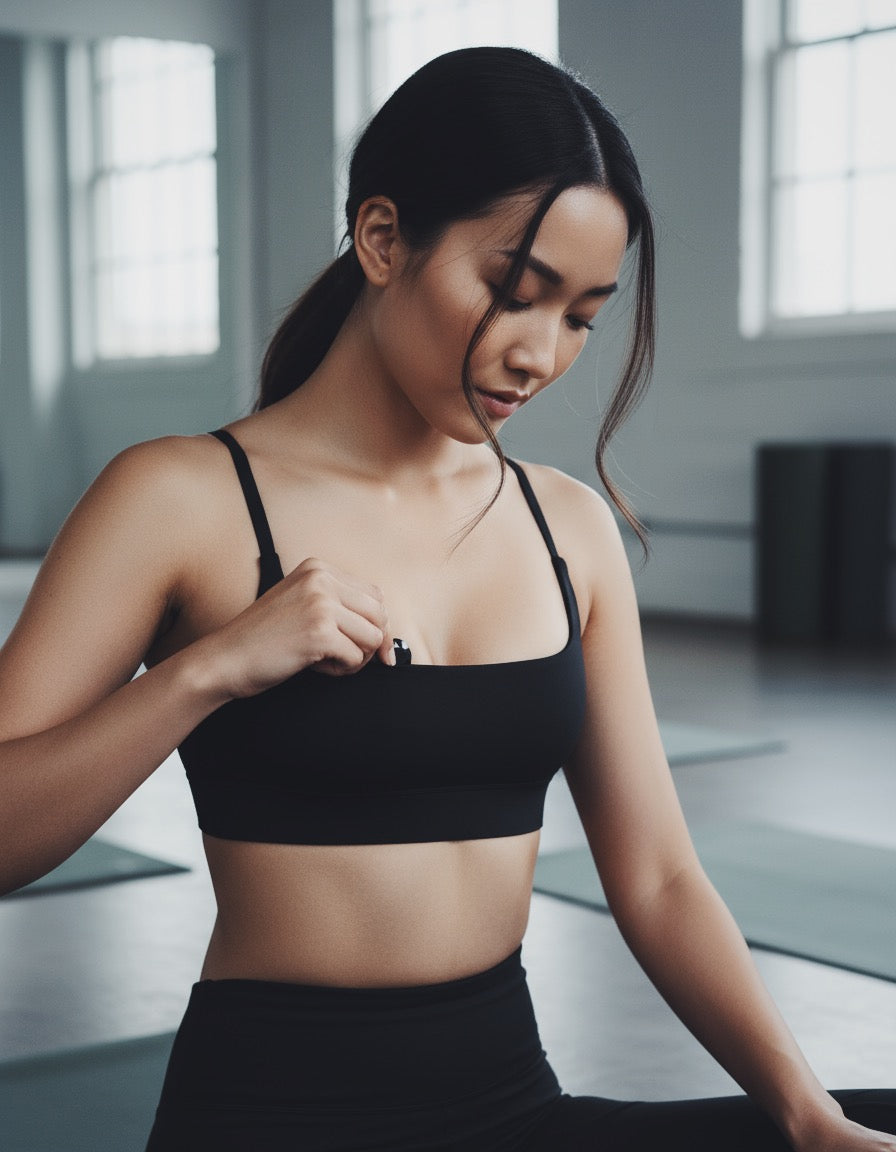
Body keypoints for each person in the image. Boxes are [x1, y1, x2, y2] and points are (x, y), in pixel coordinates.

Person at [0, 45, 893, 1152]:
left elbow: (660, 878)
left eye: (581, 317)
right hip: (274, 1118)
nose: (539, 355)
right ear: (382, 239)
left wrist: (806, 1114)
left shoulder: (568, 529)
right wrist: (207, 670)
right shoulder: (180, 497)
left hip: (512, 1112)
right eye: (514, 294)